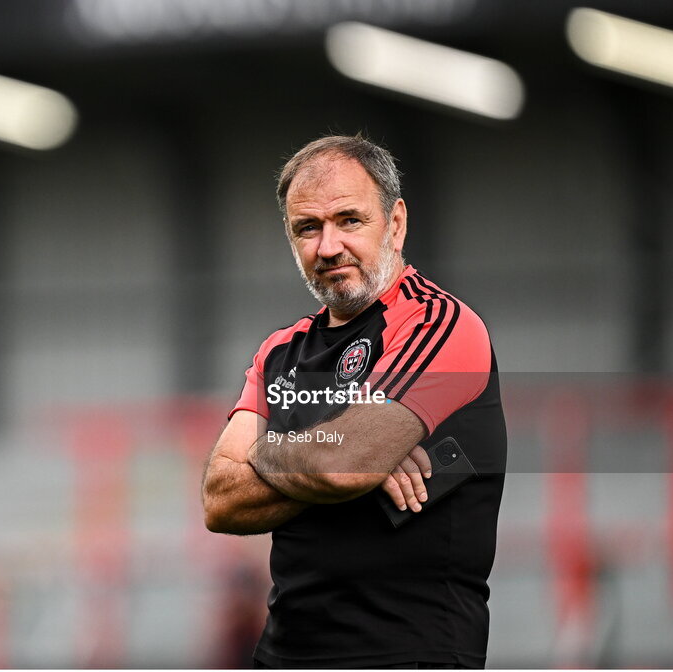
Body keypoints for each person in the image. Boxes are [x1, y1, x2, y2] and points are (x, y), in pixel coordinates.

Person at [202, 134, 507, 669]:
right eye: (308, 228)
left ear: (395, 223)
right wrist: (341, 455)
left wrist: (274, 452)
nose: (327, 246)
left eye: (349, 220)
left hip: (410, 654)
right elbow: (220, 499)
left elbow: (342, 470)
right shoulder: (279, 351)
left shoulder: (443, 325)